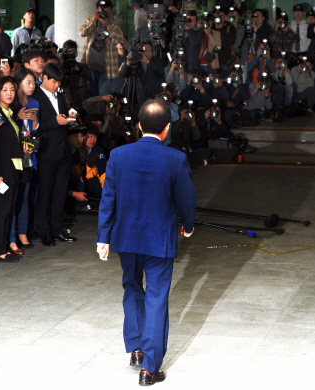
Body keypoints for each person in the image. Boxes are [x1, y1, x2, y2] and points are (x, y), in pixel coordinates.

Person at [97, 99, 197, 386]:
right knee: (156, 297)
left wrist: (103, 236)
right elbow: (187, 199)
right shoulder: (175, 159)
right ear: (167, 129)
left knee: (131, 287)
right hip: (159, 240)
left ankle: (137, 350)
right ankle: (150, 368)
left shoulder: (118, 155)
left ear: (138, 126)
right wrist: (187, 226)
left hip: (125, 238)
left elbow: (108, 200)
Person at [32, 63, 77, 246]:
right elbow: (33, 126)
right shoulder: (34, 97)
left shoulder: (60, 95)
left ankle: (57, 229)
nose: (56, 85)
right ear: (44, 77)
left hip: (63, 150)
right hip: (46, 151)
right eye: (54, 82)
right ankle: (44, 231)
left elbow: (63, 117)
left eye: (59, 82)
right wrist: (54, 121)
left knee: (60, 193)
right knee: (44, 194)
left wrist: (69, 116)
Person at [0, 77, 28, 262]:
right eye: (5, 89)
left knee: (9, 211)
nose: (9, 93)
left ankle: (4, 246)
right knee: (2, 211)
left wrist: (21, 148)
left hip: (14, 168)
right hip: (3, 171)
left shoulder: (10, 113)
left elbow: (9, 143)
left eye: (12, 90)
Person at [8, 68, 39, 255]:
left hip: (29, 156)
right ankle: (11, 238)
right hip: (12, 158)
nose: (32, 85)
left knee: (26, 197)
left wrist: (35, 123)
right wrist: (17, 117)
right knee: (12, 200)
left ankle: (23, 234)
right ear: (18, 83)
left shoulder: (35, 102)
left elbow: (34, 132)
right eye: (28, 82)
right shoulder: (10, 104)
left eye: (34, 82)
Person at [79, 0, 125, 96]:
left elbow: (119, 39)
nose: (104, 14)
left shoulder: (114, 25)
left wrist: (108, 25)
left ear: (111, 12)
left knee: (104, 97)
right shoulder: (90, 21)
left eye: (107, 13)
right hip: (90, 67)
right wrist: (93, 21)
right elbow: (82, 33)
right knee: (91, 97)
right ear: (97, 10)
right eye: (102, 12)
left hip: (106, 70)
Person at [120, 41, 166, 107]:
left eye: (149, 50)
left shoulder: (157, 61)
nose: (146, 52)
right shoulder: (136, 63)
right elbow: (123, 74)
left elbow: (160, 71)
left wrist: (147, 62)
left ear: (152, 52)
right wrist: (128, 62)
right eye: (144, 50)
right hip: (139, 99)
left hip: (155, 98)